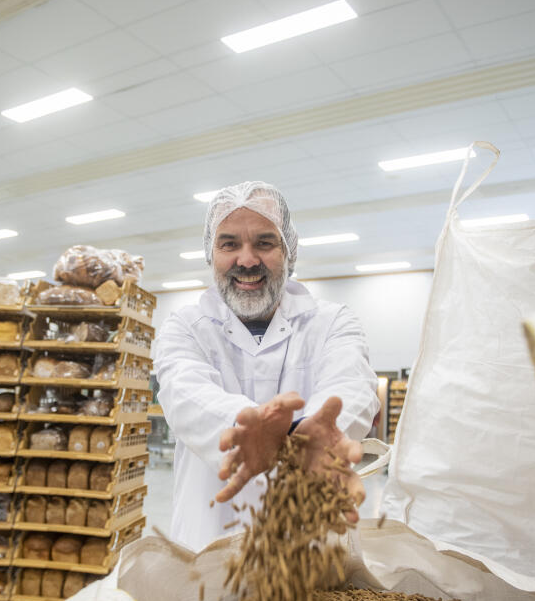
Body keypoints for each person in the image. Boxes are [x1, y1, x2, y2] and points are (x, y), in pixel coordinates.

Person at [153, 181, 380, 552]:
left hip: (314, 547)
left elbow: (351, 386)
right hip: (208, 546)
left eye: (264, 242)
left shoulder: (333, 322)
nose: (246, 260)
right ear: (210, 254)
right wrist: (257, 428)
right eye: (229, 244)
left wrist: (306, 436)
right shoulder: (185, 328)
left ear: (290, 251)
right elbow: (185, 395)